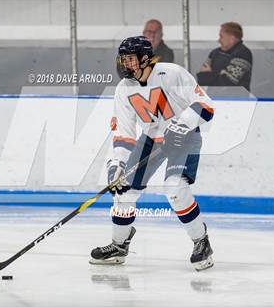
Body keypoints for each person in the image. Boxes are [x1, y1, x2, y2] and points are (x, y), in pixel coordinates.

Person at [90, 36, 214, 271]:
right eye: (122, 59)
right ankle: (119, 245)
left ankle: (201, 241)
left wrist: (183, 124)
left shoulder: (172, 73)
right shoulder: (124, 89)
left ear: (145, 59)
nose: (125, 64)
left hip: (183, 136)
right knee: (123, 188)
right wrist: (117, 164)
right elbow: (124, 135)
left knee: (175, 189)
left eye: (130, 59)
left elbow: (205, 104)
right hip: (151, 138)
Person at [197, 22, 252, 91]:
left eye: (221, 36)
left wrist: (209, 74)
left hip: (237, 100)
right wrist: (218, 74)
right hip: (213, 98)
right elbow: (201, 79)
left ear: (232, 38)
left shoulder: (243, 54)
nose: (219, 40)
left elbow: (228, 83)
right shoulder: (214, 53)